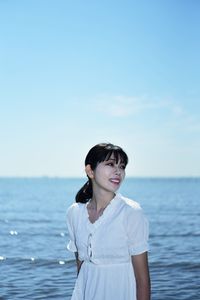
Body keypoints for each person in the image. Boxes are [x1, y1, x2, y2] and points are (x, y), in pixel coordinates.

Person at [67, 143, 151, 300]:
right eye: (110, 164)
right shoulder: (74, 213)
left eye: (122, 166)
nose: (118, 171)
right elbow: (81, 268)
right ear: (90, 171)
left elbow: (143, 280)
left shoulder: (131, 212)